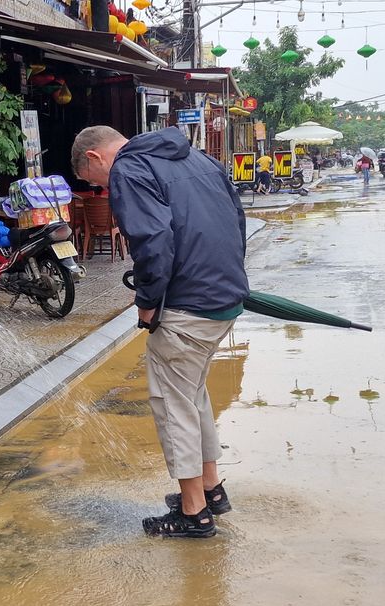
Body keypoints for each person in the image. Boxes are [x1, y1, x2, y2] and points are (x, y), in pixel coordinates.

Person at [71, 125, 249, 538]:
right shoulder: (196, 157)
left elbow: (152, 240)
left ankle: (194, 513)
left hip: (186, 305)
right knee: (193, 396)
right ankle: (211, 489)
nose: (100, 188)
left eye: (92, 179)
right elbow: (237, 219)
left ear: (95, 157)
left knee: (174, 406)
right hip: (223, 298)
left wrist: (147, 302)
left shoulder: (129, 169)